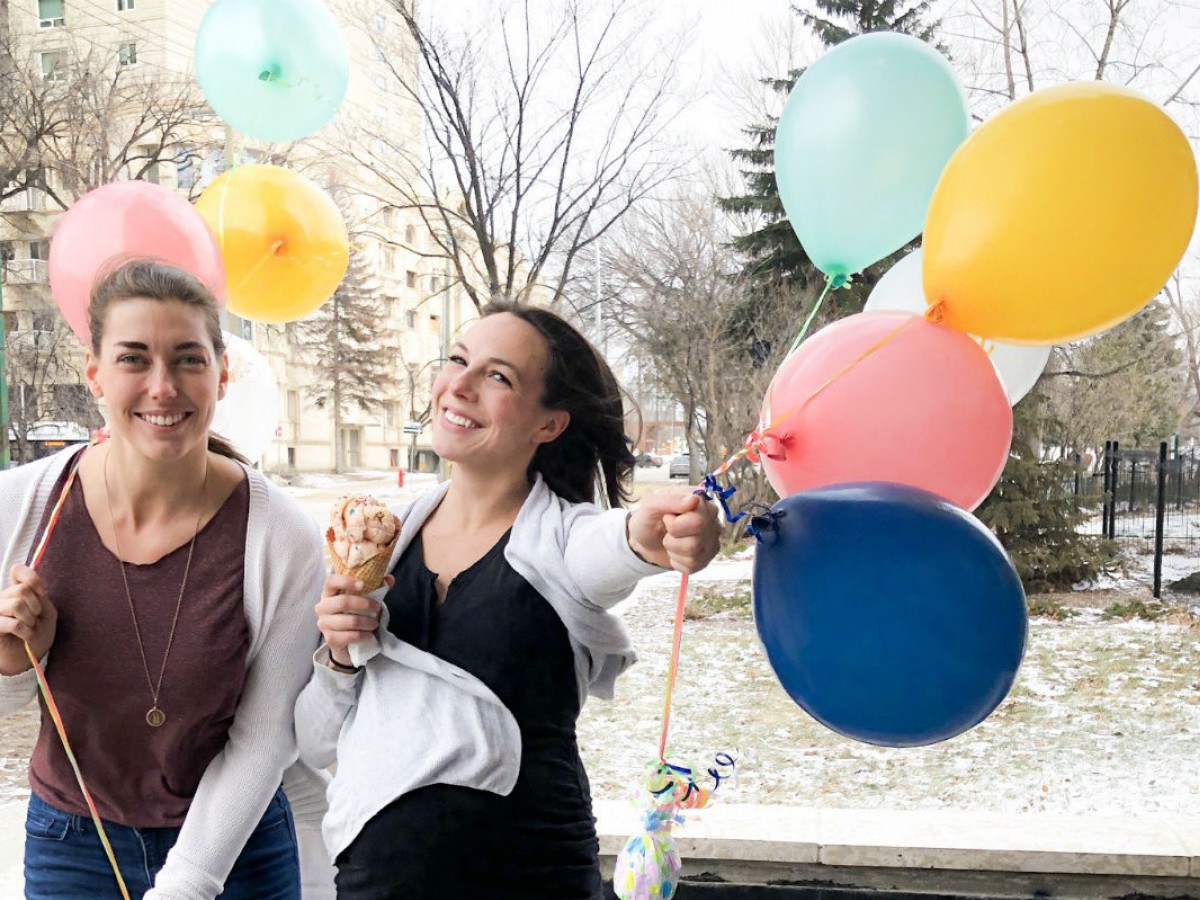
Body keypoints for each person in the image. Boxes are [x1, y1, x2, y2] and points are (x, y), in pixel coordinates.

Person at [294, 299, 722, 899]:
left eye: (498, 376)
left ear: (548, 425)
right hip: (374, 881)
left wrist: (649, 536)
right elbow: (314, 742)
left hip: (533, 875)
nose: (459, 385)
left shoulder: (561, 537)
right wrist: (338, 656)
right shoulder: (383, 543)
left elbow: (612, 546)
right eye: (458, 359)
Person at [0, 260, 333, 899]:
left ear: (221, 374)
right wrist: (15, 664)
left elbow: (264, 742)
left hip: (239, 849)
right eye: (133, 359)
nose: (162, 386)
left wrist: (186, 885)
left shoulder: (280, 537)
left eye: (187, 359)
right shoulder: (23, 510)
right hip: (75, 846)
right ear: (94, 374)